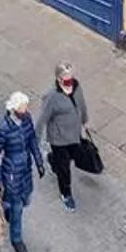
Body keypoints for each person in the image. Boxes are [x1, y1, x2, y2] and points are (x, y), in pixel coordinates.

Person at [0, 90, 46, 252]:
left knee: (26, 199)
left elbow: (32, 142)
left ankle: (6, 208)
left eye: (26, 107)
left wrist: (39, 162)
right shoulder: (4, 128)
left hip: (26, 170)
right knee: (18, 208)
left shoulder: (27, 120)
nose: (26, 110)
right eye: (22, 107)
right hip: (12, 173)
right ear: (14, 109)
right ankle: (16, 239)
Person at [39, 64, 92, 210]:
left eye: (71, 78)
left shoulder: (76, 87)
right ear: (58, 79)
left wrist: (84, 121)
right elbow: (42, 119)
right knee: (64, 169)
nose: (70, 82)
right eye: (66, 80)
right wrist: (35, 141)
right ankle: (66, 194)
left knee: (74, 157)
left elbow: (81, 104)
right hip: (58, 139)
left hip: (74, 134)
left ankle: (51, 160)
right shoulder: (52, 97)